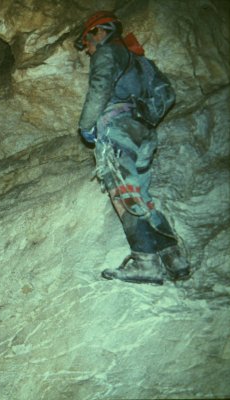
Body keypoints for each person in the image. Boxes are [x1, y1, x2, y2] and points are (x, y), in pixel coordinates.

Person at [74, 11, 191, 285]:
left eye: (88, 41)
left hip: (117, 129)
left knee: (122, 193)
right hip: (144, 133)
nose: (88, 50)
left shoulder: (107, 52)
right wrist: (144, 117)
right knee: (141, 195)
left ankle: (145, 263)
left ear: (100, 31)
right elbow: (168, 94)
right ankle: (173, 257)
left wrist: (86, 126)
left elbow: (100, 88)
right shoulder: (143, 63)